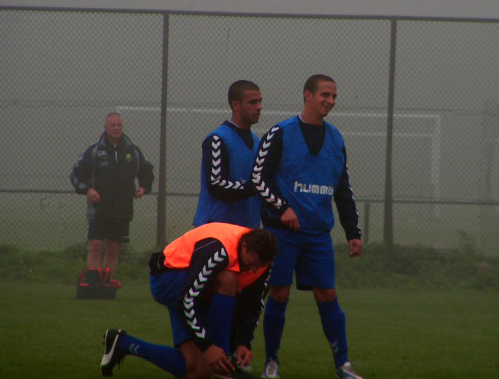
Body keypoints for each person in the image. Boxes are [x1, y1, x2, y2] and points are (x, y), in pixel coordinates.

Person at [251, 74, 365, 379]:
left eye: (334, 96)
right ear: (307, 95)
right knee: (279, 294)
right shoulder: (281, 132)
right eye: (324, 95)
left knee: (328, 294)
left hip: (317, 235)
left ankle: (343, 365)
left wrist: (353, 232)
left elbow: (343, 189)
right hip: (282, 234)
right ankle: (271, 363)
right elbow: (258, 178)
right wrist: (282, 208)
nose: (330, 101)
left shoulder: (336, 138)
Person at [99, 224, 278, 379]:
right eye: (251, 263)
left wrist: (242, 343)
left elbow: (253, 305)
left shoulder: (263, 264)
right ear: (245, 246)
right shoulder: (218, 249)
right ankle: (226, 360)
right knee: (228, 278)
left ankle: (122, 343)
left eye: (258, 266)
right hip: (168, 281)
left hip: (195, 293)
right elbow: (188, 297)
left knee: (198, 371)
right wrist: (208, 346)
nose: (253, 270)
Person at [71, 112, 154, 296]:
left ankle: (105, 289)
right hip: (99, 209)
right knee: (96, 246)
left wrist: (143, 188)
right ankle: (92, 287)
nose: (116, 128)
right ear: (105, 128)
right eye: (112, 125)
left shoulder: (133, 151)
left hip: (122, 209)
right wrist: (88, 190)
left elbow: (147, 172)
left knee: (114, 248)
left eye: (119, 125)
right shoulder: (94, 151)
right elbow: (76, 174)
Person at [193, 80, 263, 229]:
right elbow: (216, 185)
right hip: (216, 229)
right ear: (235, 105)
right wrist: (251, 187)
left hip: (247, 230)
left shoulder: (257, 142)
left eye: (260, 101)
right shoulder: (218, 139)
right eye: (252, 102)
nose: (259, 107)